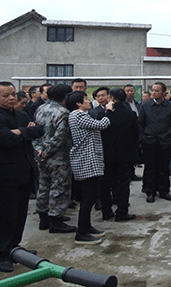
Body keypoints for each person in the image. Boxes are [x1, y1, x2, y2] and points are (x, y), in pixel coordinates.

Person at [0, 82, 44, 272]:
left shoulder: (20, 114)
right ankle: (1, 254)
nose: (11, 98)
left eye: (13, 95)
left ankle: (14, 248)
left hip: (24, 172)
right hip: (3, 175)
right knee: (3, 217)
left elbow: (39, 130)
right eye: (6, 95)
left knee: (19, 215)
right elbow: (7, 140)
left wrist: (21, 131)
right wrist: (25, 131)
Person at [66, 91, 112, 244]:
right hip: (87, 160)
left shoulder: (78, 115)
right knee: (88, 198)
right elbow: (101, 125)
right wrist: (108, 110)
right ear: (78, 103)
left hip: (88, 159)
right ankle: (82, 232)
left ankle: (87, 226)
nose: (89, 102)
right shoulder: (78, 115)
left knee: (90, 196)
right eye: (85, 99)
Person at [32, 84, 76, 234]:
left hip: (41, 156)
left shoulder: (41, 109)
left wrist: (39, 151)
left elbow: (35, 131)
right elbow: (60, 137)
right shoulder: (63, 112)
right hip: (57, 157)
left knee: (44, 186)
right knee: (59, 188)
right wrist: (46, 152)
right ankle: (56, 220)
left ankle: (44, 218)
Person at [99, 88, 139, 222]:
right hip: (125, 155)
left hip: (106, 154)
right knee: (122, 184)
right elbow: (136, 134)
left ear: (112, 98)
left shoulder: (104, 114)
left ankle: (106, 211)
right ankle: (122, 212)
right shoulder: (131, 114)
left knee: (105, 184)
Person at [138, 82, 171, 203]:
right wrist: (143, 138)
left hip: (165, 141)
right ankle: (151, 192)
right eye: (153, 90)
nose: (153, 92)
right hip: (149, 141)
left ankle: (164, 191)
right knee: (150, 168)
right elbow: (140, 124)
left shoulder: (170, 106)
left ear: (164, 92)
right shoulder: (145, 106)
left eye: (157, 90)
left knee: (164, 168)